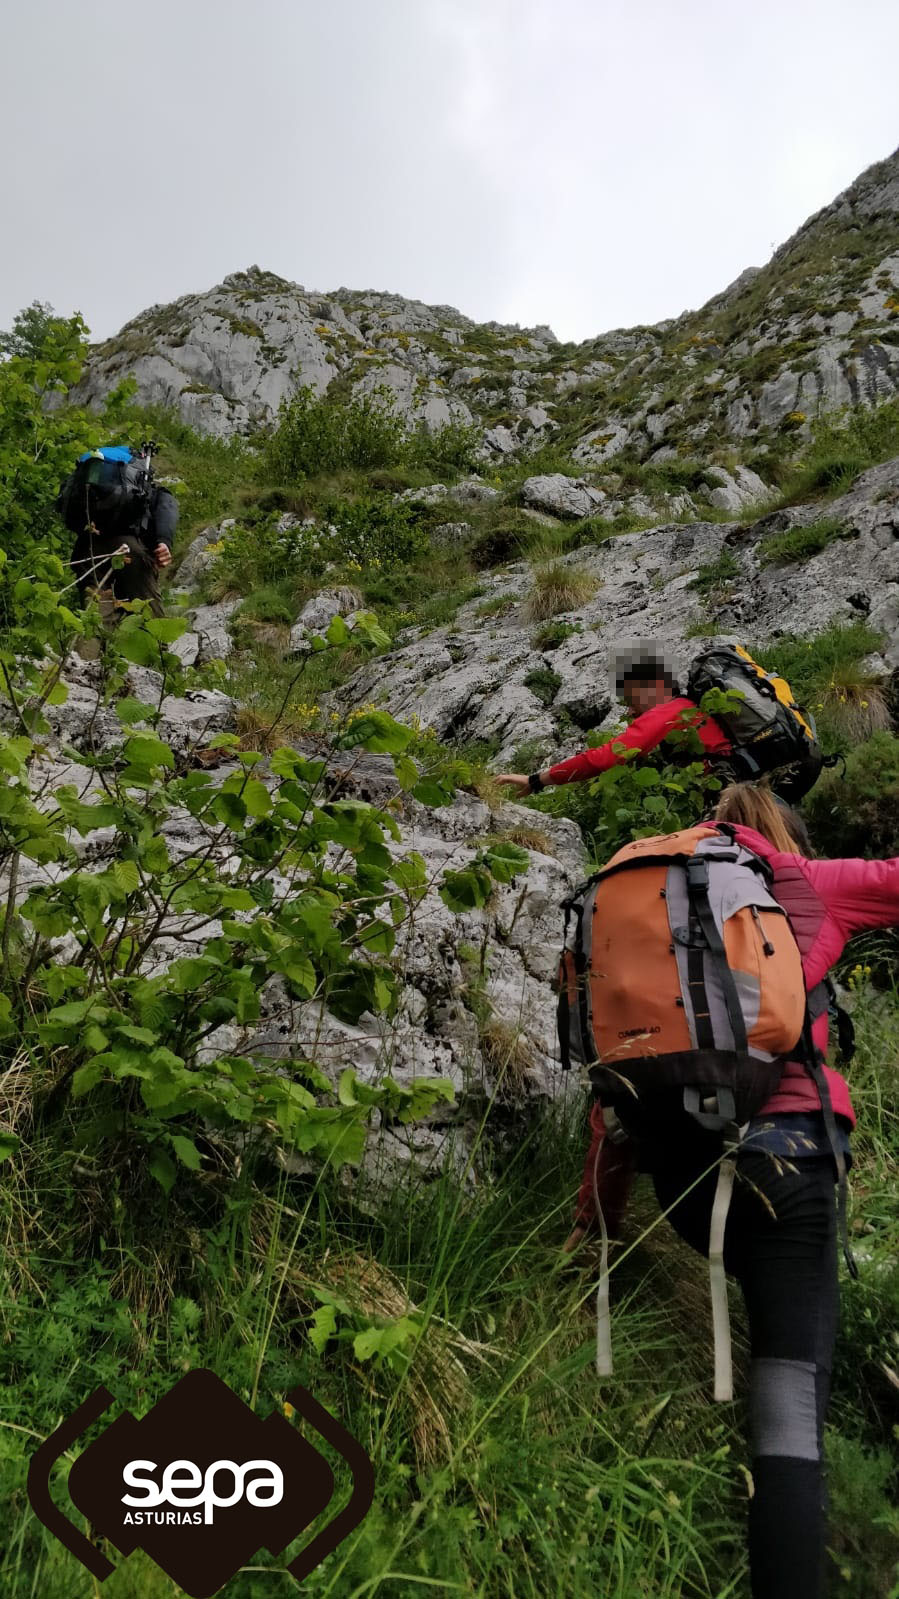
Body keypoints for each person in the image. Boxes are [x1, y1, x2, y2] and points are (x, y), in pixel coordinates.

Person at [562, 781, 899, 1599]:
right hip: (787, 1157)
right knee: (787, 1412)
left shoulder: (638, 893)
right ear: (775, 830)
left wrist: (595, 1225)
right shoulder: (802, 880)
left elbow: (616, 1085)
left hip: (678, 1174)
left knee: (768, 1306)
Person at [495, 649, 735, 796]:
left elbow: (603, 758)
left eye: (632, 700)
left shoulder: (667, 712)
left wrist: (536, 780)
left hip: (729, 788)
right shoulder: (686, 710)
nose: (630, 710)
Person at [58, 445, 178, 622]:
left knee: (96, 621)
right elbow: (166, 507)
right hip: (127, 549)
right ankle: (158, 648)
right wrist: (163, 541)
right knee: (149, 615)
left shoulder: (88, 480)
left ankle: (85, 649)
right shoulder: (145, 488)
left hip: (87, 548)